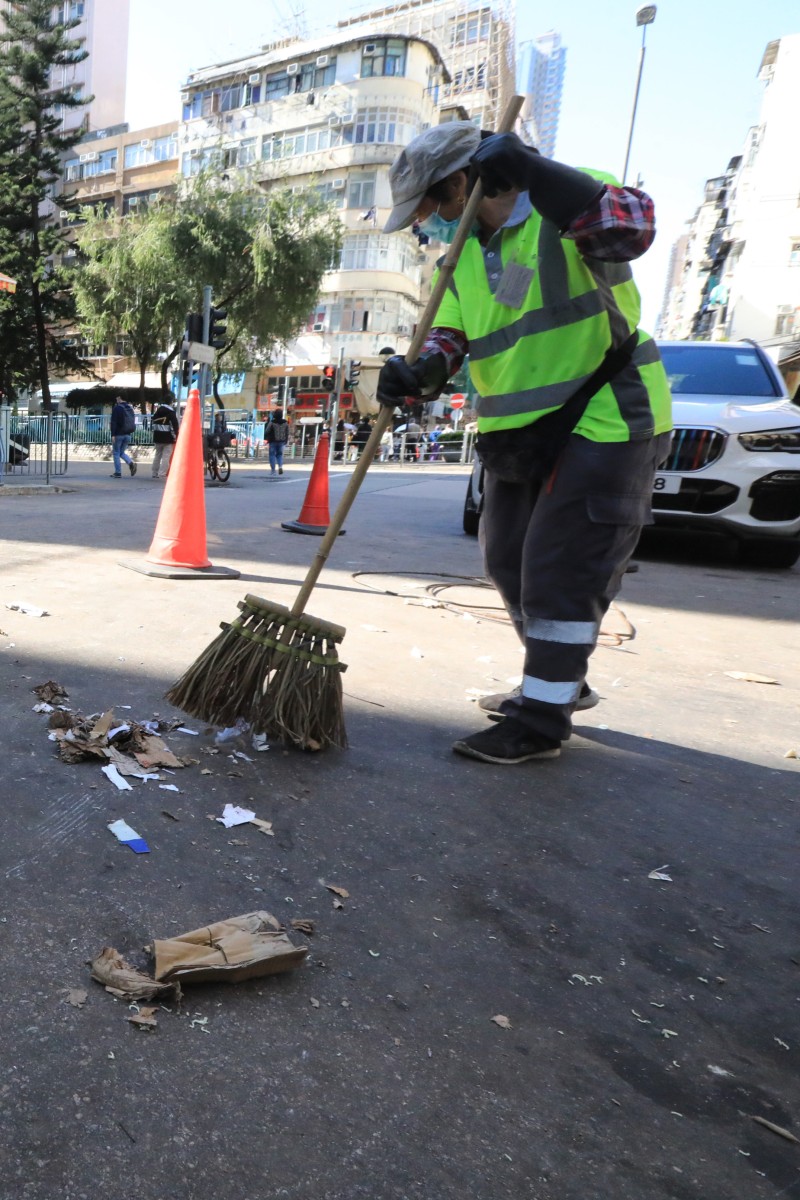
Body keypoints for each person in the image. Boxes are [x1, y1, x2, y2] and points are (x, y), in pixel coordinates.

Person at [377, 122, 672, 765]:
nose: (426, 225)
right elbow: (447, 339)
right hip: (519, 433)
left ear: (462, 182)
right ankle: (564, 678)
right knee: (507, 560)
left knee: (559, 570)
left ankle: (540, 720)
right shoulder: (458, 260)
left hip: (605, 416)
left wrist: (537, 171)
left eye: (430, 207)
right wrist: (418, 374)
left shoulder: (563, 205)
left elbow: (631, 229)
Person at [150, 394, 179, 479]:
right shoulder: (171, 413)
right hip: (168, 438)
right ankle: (162, 473)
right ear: (171, 402)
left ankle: (154, 473)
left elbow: (153, 423)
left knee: (157, 455)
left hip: (157, 437)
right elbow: (175, 426)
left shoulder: (157, 411)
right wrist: (177, 436)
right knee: (166, 456)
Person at [109, 393, 137, 478]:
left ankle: (118, 472)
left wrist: (113, 434)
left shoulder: (117, 408)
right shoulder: (130, 408)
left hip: (118, 434)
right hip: (127, 434)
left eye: (117, 397)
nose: (116, 398)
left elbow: (114, 422)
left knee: (116, 453)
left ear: (120, 398)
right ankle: (131, 463)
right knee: (121, 452)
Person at [265, 408, 289, 475]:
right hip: (281, 441)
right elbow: (287, 432)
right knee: (279, 455)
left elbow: (267, 431)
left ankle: (273, 471)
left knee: (272, 455)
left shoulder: (272, 422)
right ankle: (280, 466)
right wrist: (286, 440)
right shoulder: (285, 423)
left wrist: (268, 437)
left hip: (273, 441)